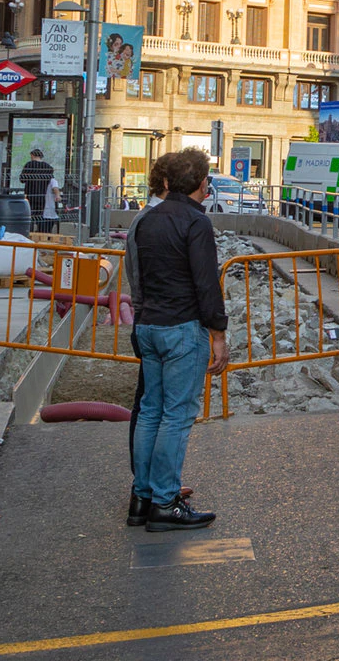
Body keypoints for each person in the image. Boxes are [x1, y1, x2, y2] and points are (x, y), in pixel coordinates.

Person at [122, 148, 226, 531]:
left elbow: (139, 275)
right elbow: (206, 285)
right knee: (177, 415)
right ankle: (166, 501)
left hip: (149, 324)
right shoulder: (195, 223)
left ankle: (143, 496)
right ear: (202, 184)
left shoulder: (148, 219)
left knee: (150, 410)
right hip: (182, 327)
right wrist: (218, 334)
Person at [19, 148, 56, 227]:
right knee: (40, 215)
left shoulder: (29, 165)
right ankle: (40, 230)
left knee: (30, 215)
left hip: (30, 194)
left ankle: (30, 231)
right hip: (43, 195)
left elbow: (22, 179)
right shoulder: (48, 167)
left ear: (32, 155)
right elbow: (51, 180)